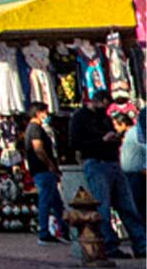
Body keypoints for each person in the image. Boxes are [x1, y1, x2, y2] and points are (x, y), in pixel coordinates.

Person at [71, 89, 147, 259]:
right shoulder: (80, 118)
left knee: (128, 207)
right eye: (105, 104)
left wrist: (115, 139)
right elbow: (75, 143)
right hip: (97, 163)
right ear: (99, 101)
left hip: (112, 162)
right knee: (102, 208)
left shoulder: (104, 118)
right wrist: (101, 141)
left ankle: (141, 244)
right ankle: (110, 246)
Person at [24, 101, 65, 244]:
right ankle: (44, 232)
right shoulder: (35, 128)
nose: (46, 115)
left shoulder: (33, 128)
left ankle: (64, 230)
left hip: (42, 170)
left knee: (56, 201)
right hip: (43, 169)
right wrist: (49, 164)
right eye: (45, 112)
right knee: (46, 200)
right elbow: (38, 148)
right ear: (38, 113)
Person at [116, 107, 145, 229]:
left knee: (138, 207)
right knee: (138, 207)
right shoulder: (136, 133)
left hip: (137, 175)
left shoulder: (136, 133)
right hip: (134, 175)